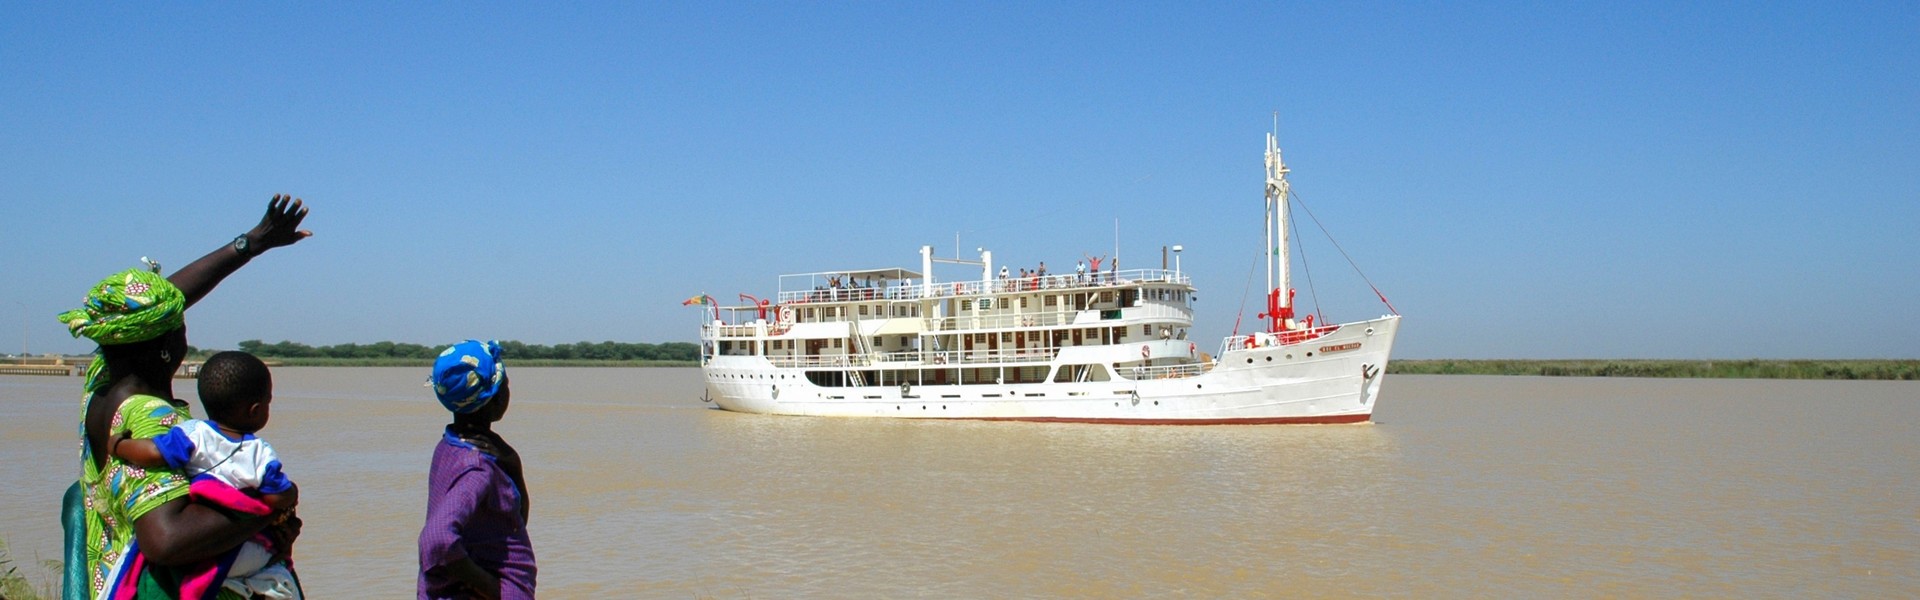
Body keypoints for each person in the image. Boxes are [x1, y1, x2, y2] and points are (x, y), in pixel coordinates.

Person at [60, 195, 311, 600]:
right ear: (166, 346)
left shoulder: (105, 381)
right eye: (179, 326)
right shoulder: (152, 420)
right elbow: (167, 540)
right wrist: (267, 510)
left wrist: (250, 244)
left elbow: (156, 305)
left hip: (105, 573)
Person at [107, 351, 301, 599]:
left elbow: (153, 452)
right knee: (278, 564)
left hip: (197, 542)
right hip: (243, 553)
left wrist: (118, 446)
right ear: (255, 410)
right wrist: (292, 492)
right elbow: (275, 499)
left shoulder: (192, 433)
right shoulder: (260, 453)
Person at [420, 340, 536, 600]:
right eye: (505, 385)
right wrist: (493, 588)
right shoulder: (478, 468)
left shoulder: (450, 445)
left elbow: (510, 523)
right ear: (495, 399)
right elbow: (436, 538)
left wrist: (510, 463)